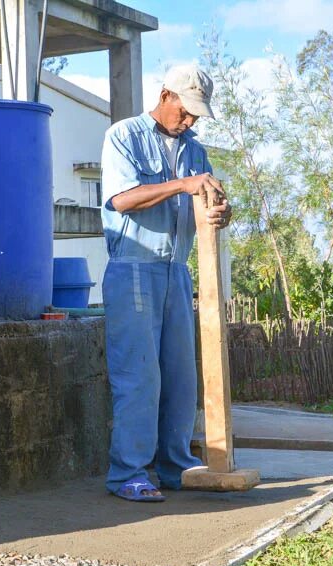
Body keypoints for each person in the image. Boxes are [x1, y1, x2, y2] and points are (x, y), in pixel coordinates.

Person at [100, 64, 232, 502]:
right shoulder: (124, 135)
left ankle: (176, 467)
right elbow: (121, 199)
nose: (191, 121)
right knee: (139, 375)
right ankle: (129, 473)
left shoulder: (195, 150)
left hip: (177, 269)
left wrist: (217, 213)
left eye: (197, 114)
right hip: (134, 267)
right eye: (187, 111)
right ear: (164, 95)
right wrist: (183, 186)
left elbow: (203, 199)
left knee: (180, 376)